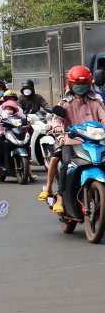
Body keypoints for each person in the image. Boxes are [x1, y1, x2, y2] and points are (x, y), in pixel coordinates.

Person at [39, 66, 105, 213]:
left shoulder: (97, 101)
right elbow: (57, 119)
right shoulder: (65, 103)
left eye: (83, 85)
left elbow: (104, 116)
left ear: (89, 85)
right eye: (77, 85)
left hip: (95, 142)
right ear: (70, 85)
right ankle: (61, 197)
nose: (80, 88)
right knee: (66, 165)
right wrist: (58, 129)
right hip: (71, 141)